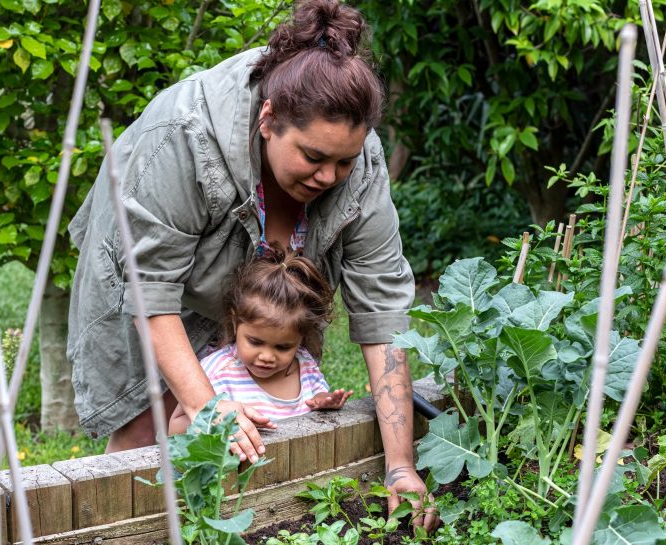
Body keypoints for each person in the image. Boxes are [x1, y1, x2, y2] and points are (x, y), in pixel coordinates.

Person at [67, 0, 435, 528]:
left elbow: (383, 315)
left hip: (263, 284)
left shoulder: (361, 158)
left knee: (263, 403)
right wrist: (205, 406)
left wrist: (401, 465)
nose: (329, 177)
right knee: (148, 425)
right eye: (312, 157)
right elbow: (151, 294)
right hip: (150, 269)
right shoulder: (184, 135)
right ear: (268, 121)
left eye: (343, 162)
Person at [168, 247, 353, 435]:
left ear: (301, 338)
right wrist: (220, 423)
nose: (266, 356)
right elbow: (174, 429)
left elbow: (316, 397)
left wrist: (323, 401)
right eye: (255, 342)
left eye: (283, 347)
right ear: (235, 322)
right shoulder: (217, 370)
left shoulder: (304, 365)